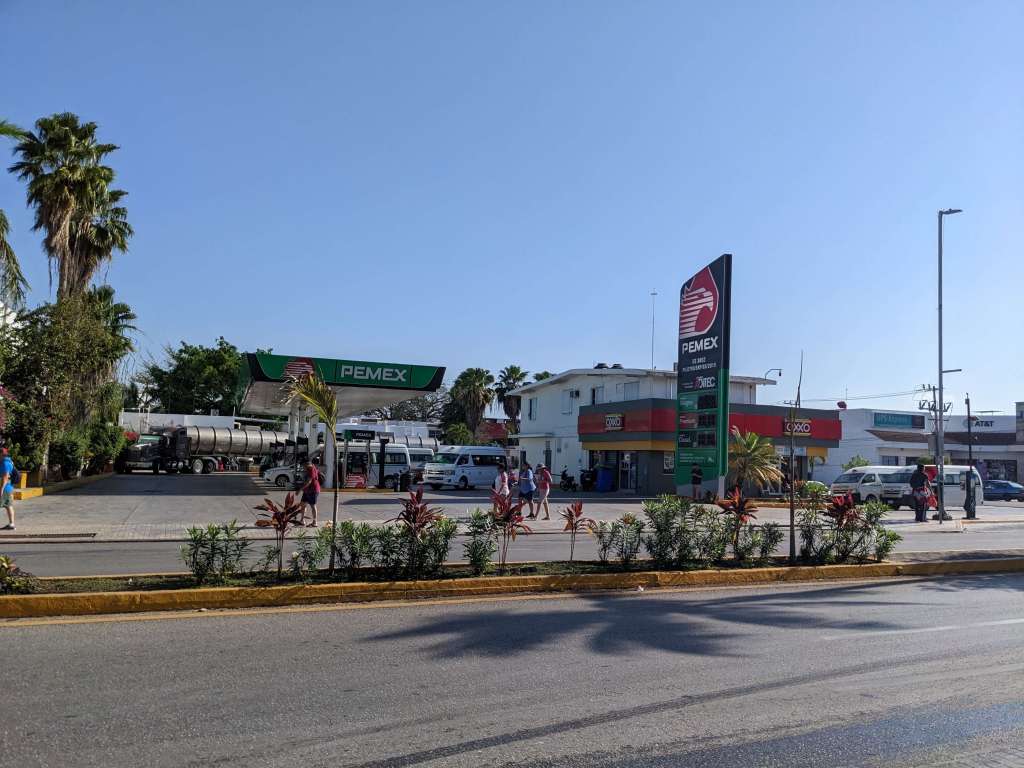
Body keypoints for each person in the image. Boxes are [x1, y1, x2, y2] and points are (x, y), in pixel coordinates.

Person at [300, 459, 320, 527]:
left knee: (313, 505)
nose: (303, 468)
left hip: (313, 490)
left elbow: (308, 482)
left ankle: (314, 522)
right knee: (303, 504)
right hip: (307, 490)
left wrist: (299, 490)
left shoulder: (311, 470)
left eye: (303, 466)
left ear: (307, 465)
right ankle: (302, 520)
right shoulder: (310, 468)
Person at [1, 447, 14, 531]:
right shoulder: (9, 462)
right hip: (8, 487)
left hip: (4, 488)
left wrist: (1, 489)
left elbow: (5, 477)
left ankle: (12, 524)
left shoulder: (5, 463)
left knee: (8, 505)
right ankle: (11, 524)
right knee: (9, 505)